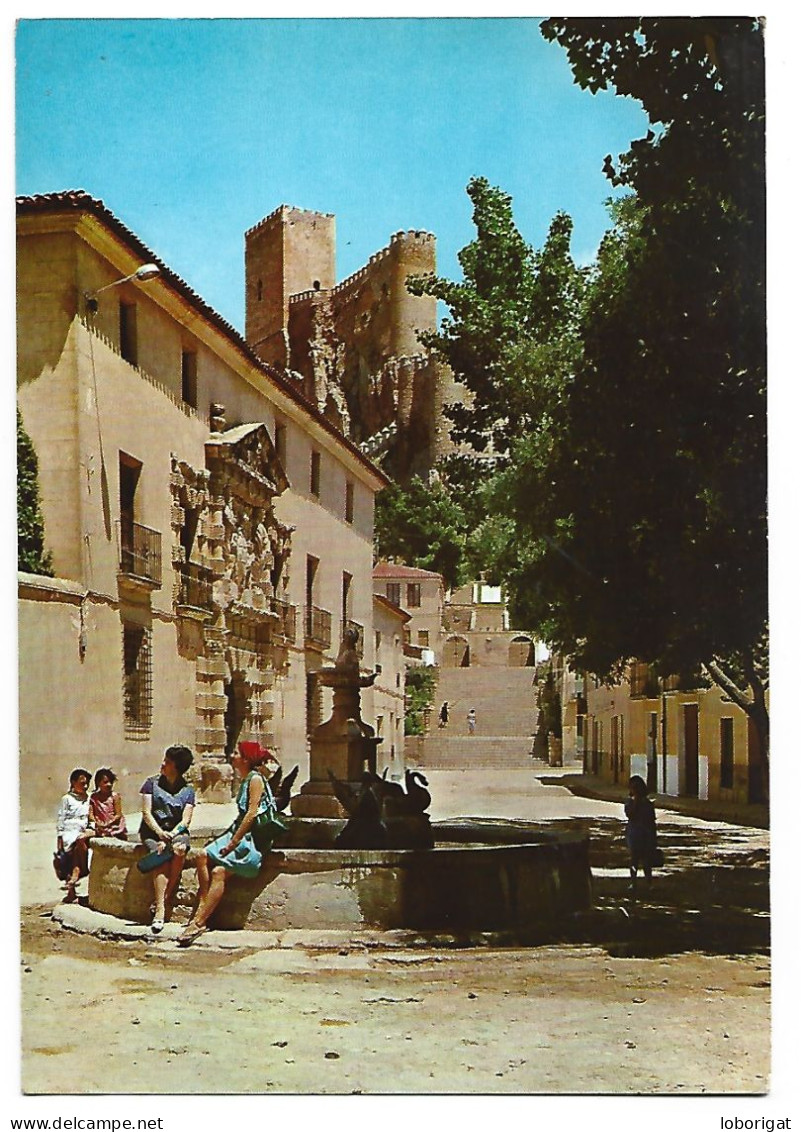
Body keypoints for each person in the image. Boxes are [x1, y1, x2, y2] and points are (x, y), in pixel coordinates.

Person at [179, 741, 280, 947]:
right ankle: (206, 904)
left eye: (236, 753)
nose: (231, 755)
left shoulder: (255, 780)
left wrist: (233, 842)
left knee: (218, 872)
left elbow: (252, 813)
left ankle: (199, 921)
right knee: (201, 855)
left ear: (245, 759)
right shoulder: (246, 779)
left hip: (251, 840)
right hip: (238, 833)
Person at [139, 745, 195, 934]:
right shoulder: (151, 784)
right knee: (161, 857)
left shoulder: (188, 790)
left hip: (176, 832)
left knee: (179, 849)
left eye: (168, 762)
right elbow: (147, 812)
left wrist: (171, 835)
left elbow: (185, 820)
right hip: (153, 831)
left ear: (177, 767)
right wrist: (160, 834)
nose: (163, 764)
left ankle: (163, 898)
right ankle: (161, 910)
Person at [55, 768, 93, 903]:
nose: (85, 786)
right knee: (68, 857)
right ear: (73, 782)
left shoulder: (89, 798)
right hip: (68, 831)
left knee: (79, 842)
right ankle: (72, 890)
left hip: (83, 830)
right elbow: (61, 818)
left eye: (87, 783)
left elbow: (92, 817)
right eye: (82, 783)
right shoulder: (67, 799)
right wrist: (60, 836)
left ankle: (77, 875)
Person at [624, 775, 658, 897]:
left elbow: (652, 820)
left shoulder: (647, 803)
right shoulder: (629, 802)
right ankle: (634, 882)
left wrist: (653, 837)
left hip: (644, 834)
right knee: (634, 859)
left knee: (646, 861)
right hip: (635, 834)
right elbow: (630, 814)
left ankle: (649, 882)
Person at [89, 768, 128, 840]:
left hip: (114, 826)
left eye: (111, 782)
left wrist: (108, 823)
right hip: (100, 826)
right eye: (105, 782)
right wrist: (97, 823)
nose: (109, 784)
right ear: (98, 783)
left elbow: (118, 814)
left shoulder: (114, 796)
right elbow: (91, 814)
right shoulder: (94, 797)